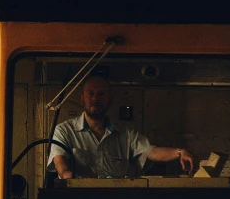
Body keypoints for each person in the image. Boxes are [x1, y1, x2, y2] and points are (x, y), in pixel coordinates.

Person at [48, 75, 199, 179]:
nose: (95, 98)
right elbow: (60, 163)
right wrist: (70, 177)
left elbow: (151, 151)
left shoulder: (125, 134)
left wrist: (180, 152)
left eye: (101, 94)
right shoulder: (64, 131)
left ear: (110, 99)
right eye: (90, 93)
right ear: (82, 98)